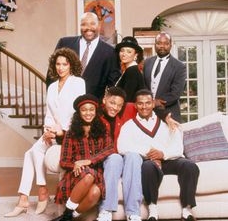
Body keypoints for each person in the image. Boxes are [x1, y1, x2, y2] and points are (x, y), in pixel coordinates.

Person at [4, 48, 85, 217]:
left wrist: (61, 129)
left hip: (68, 133)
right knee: (31, 153)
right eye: (58, 64)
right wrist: (47, 130)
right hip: (52, 131)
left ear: (71, 65)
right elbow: (49, 112)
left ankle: (40, 193)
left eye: (65, 64)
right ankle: (26, 198)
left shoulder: (78, 82)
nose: (61, 67)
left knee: (31, 152)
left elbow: (78, 111)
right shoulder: (52, 86)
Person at [96, 87, 179, 221]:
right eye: (112, 103)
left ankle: (133, 212)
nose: (115, 107)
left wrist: (166, 117)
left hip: (126, 157)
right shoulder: (95, 115)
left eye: (119, 105)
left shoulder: (128, 109)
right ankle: (106, 210)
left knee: (133, 156)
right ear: (104, 100)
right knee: (115, 158)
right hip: (108, 159)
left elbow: (149, 107)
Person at [117, 89, 199, 221]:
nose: (144, 107)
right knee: (148, 167)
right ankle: (152, 208)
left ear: (153, 104)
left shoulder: (167, 122)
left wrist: (162, 154)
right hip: (149, 162)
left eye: (148, 103)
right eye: (140, 103)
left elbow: (178, 147)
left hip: (168, 160)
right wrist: (148, 153)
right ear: (135, 105)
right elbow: (122, 147)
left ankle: (186, 208)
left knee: (190, 166)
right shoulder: (129, 126)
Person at [51, 94, 114, 221]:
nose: (88, 113)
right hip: (77, 175)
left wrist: (89, 160)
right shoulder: (71, 133)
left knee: (96, 192)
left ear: (96, 112)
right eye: (84, 110)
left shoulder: (103, 130)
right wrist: (75, 164)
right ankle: (68, 213)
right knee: (89, 175)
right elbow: (64, 161)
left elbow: (110, 149)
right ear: (79, 113)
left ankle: (68, 216)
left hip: (97, 173)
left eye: (91, 109)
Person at [46, 12, 120, 99]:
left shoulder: (110, 52)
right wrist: (52, 98)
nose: (88, 28)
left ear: (99, 25)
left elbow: (112, 84)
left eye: (92, 24)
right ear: (80, 26)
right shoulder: (65, 43)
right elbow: (52, 74)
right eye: (84, 24)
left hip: (92, 107)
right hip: (62, 103)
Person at [143, 31, 186, 122]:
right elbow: (144, 86)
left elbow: (176, 92)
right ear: (155, 45)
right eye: (159, 43)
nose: (162, 46)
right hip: (147, 113)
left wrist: (156, 102)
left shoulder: (179, 66)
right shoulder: (147, 62)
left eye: (166, 43)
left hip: (169, 113)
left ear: (171, 45)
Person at [115, 36, 144, 102]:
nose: (124, 54)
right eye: (122, 51)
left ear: (136, 55)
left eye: (129, 52)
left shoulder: (132, 72)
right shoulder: (129, 70)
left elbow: (127, 99)